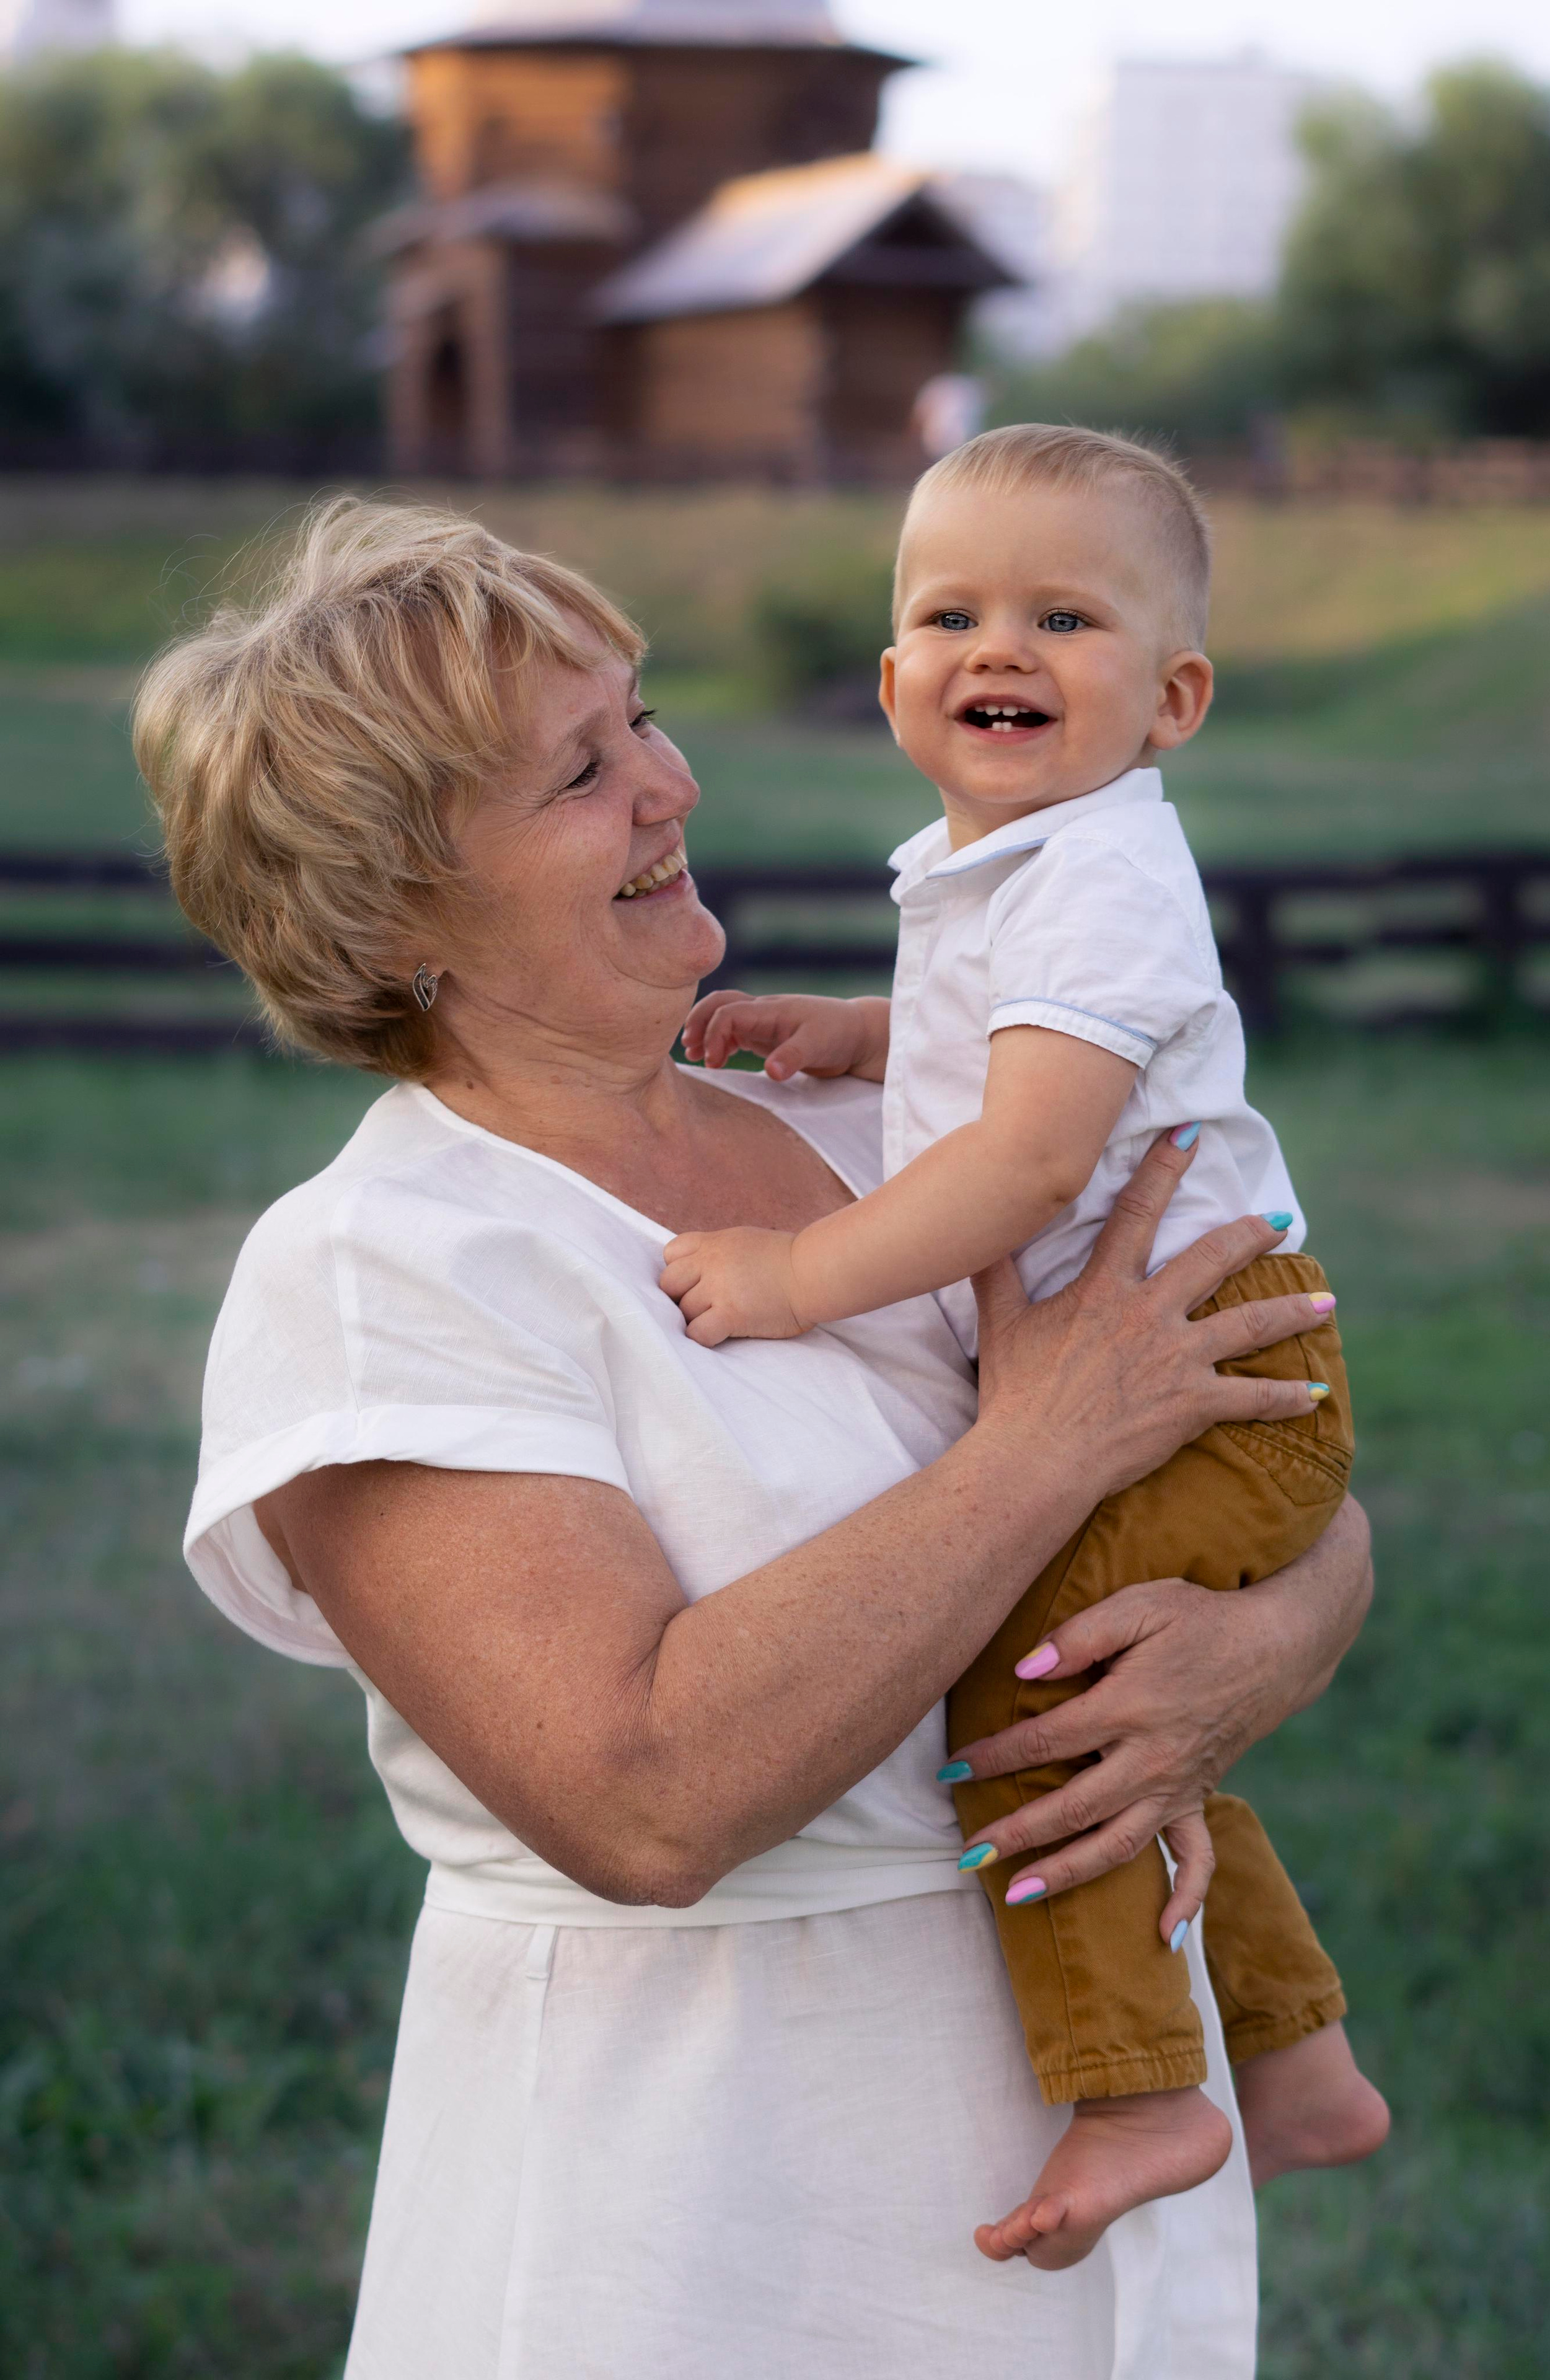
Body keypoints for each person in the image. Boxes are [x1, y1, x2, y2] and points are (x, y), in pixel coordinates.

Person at [132, 496, 1375, 2380]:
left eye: (638, 720)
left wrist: (1259, 1650)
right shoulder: (386, 1268)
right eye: (581, 773)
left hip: (1101, 2150)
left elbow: (1271, 1460)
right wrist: (1038, 1450)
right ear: (392, 911)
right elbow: (643, 1797)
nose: (670, 784)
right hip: (724, 2198)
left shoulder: (892, 1138)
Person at [663, 426, 1389, 2267]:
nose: (999, 647)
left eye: (1064, 618)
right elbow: (1016, 1037)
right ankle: (1298, 2059)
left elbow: (1034, 1155)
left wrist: (798, 1276)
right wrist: (869, 1029)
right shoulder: (1018, 868)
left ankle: (1144, 2090)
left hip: (1208, 1370)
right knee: (1128, 1699)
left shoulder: (1101, 874)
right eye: (952, 615)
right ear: (893, 678)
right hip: (1185, 1359)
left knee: (1039, 1692)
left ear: (1174, 699)